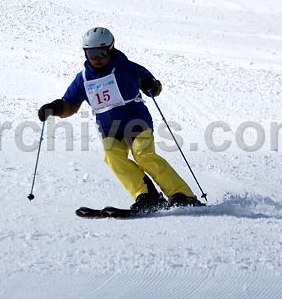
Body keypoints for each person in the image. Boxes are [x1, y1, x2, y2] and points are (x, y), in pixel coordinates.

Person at [38, 27, 202, 211]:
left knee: (143, 155)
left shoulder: (127, 69)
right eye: (91, 54)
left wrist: (150, 85)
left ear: (111, 49)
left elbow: (155, 89)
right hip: (109, 129)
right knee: (112, 157)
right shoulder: (84, 78)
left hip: (136, 121)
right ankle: (146, 196)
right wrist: (54, 109)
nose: (96, 58)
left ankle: (182, 194)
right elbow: (70, 105)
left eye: (101, 52)